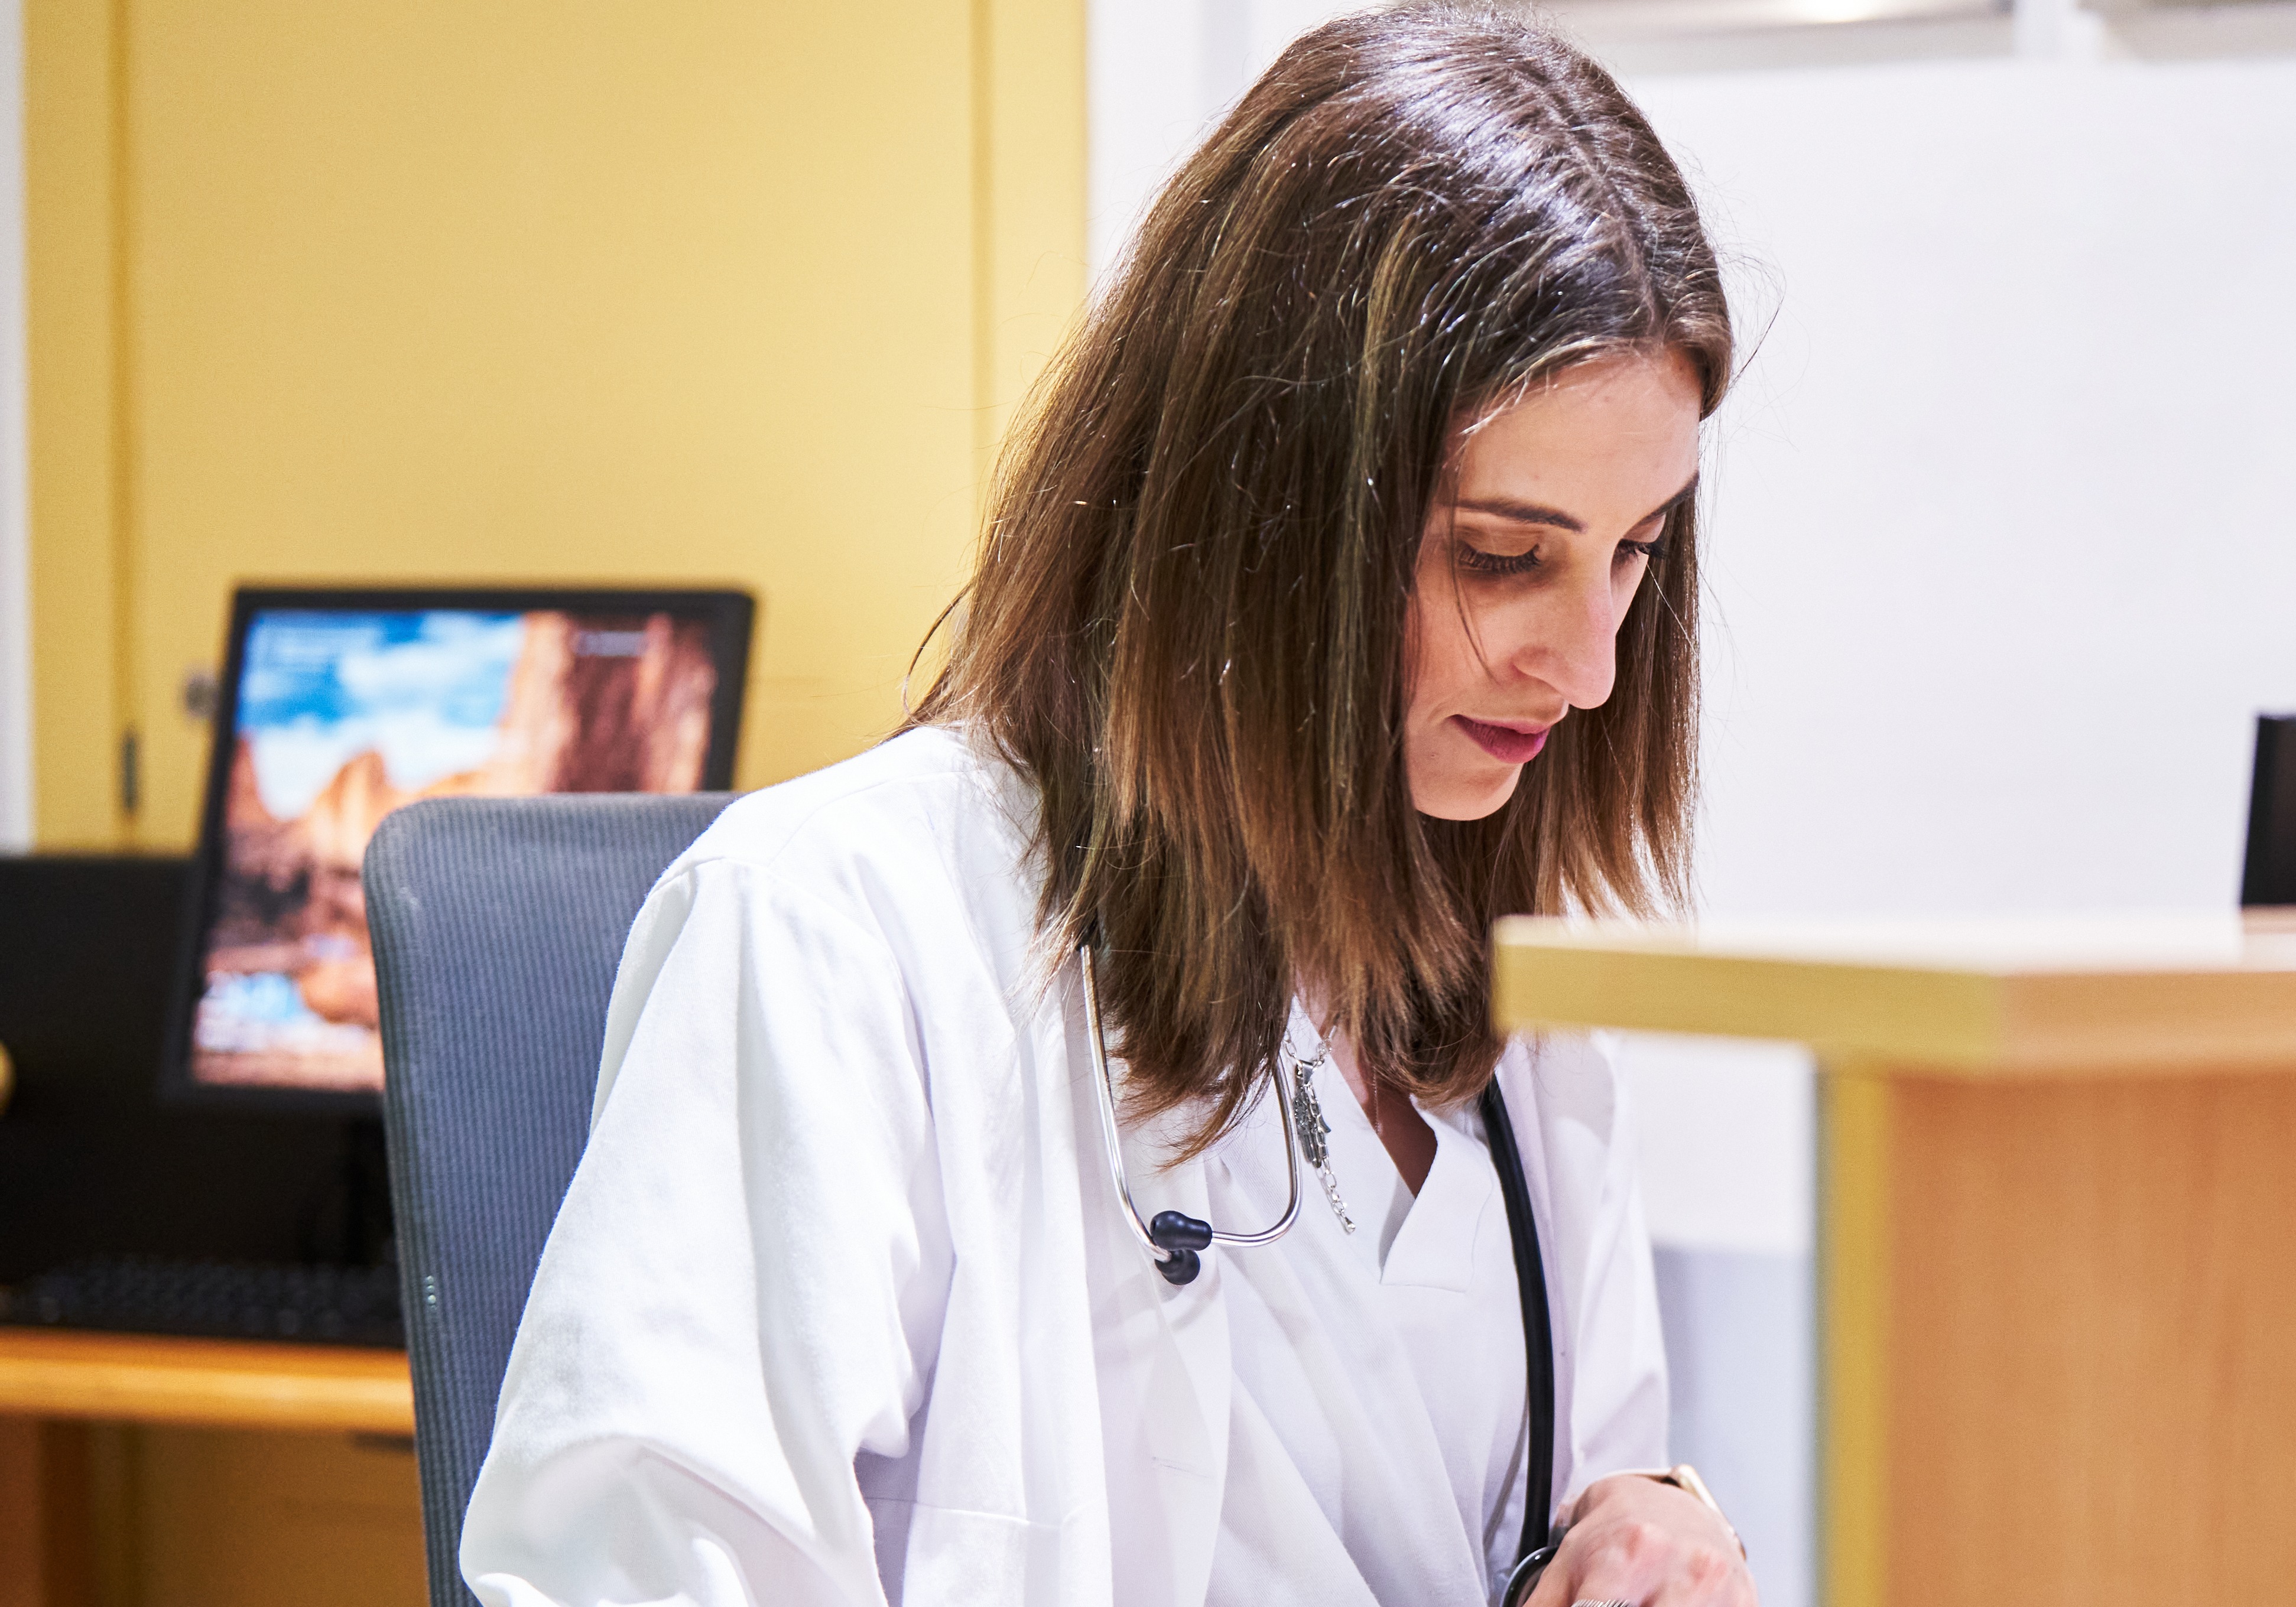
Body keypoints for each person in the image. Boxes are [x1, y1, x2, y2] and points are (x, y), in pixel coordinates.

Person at [460, 8, 1755, 1604]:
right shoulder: (840, 934)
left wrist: (1642, 1515)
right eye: (1503, 554)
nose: (1593, 667)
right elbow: (642, 1573)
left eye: (1634, 555)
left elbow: (1567, 1483)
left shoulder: (1506, 1004)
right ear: (1265, 503)